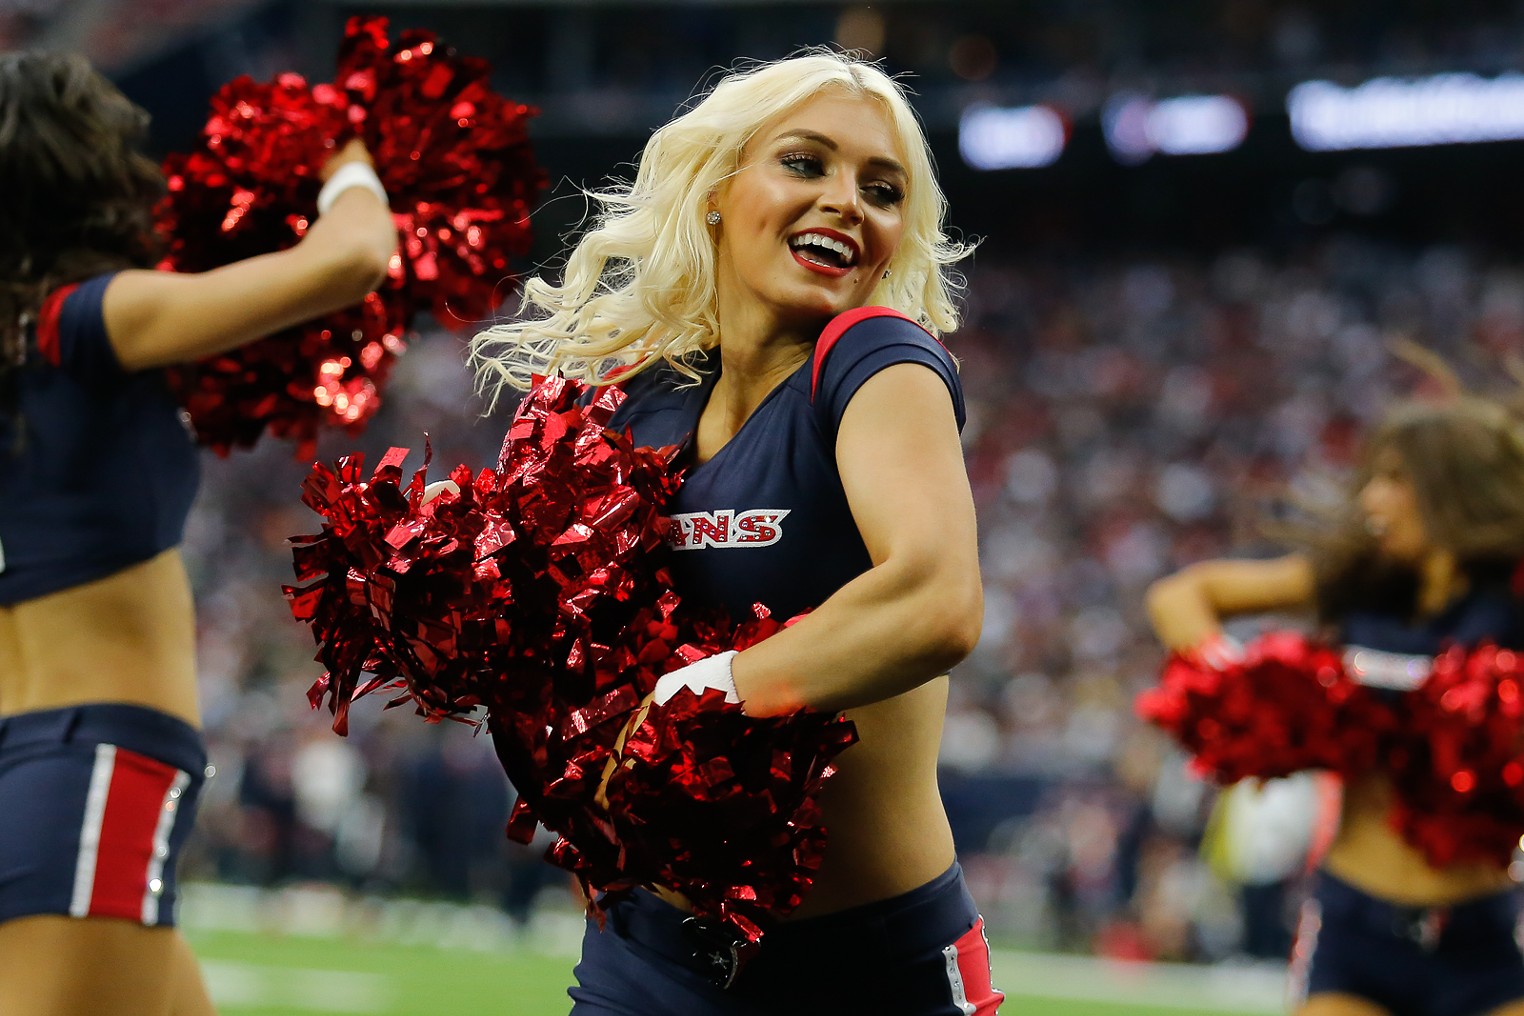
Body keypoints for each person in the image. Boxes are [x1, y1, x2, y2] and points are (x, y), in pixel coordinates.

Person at [471, 50, 1004, 1015]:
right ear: (716, 190)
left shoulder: (877, 358)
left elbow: (937, 600)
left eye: (881, 189)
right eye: (806, 164)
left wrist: (707, 691)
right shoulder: (645, 400)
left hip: (865, 976)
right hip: (647, 957)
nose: (847, 200)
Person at [0, 51, 396, 1015]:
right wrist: (343, 154)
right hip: (90, 758)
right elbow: (350, 261)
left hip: (42, 758)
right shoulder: (80, 320)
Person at [1145, 393, 1524, 1016]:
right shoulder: (1356, 583)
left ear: (1453, 490)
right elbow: (1181, 597)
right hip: (1355, 933)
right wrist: (1249, 697)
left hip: (1483, 938)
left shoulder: (1509, 605)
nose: (1372, 499)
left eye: (1396, 480)